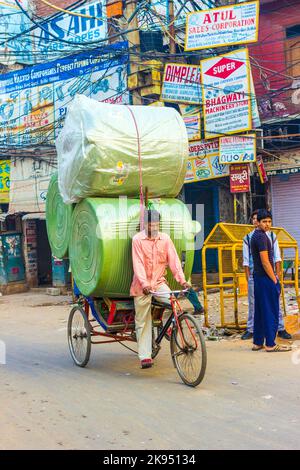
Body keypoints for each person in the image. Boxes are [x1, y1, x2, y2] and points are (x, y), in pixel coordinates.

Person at [130, 209, 191, 369]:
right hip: (141, 286)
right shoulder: (137, 239)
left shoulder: (165, 239)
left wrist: (183, 281)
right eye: (151, 224)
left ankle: (169, 326)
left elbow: (174, 262)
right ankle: (145, 356)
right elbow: (138, 264)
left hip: (158, 282)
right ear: (145, 224)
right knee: (142, 320)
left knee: (174, 303)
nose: (154, 227)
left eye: (157, 224)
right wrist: (144, 284)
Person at [242, 209, 291, 340]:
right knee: (264, 305)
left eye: (269, 221)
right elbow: (263, 261)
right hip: (262, 276)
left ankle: (274, 331)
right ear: (257, 222)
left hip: (263, 275)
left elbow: (276, 257)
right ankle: (268, 340)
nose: (267, 224)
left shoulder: (269, 236)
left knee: (267, 305)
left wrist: (277, 274)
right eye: (264, 221)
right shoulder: (257, 237)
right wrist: (274, 280)